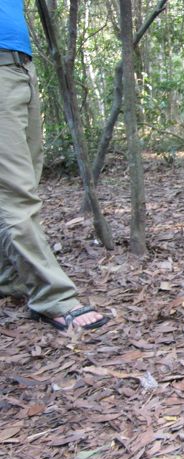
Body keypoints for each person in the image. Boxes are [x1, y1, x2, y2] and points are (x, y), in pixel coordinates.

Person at [0, 2, 108, 331]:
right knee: (15, 194)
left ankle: (10, 278)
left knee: (23, 184)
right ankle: (54, 296)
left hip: (20, 65)